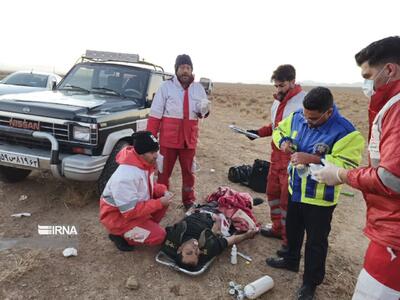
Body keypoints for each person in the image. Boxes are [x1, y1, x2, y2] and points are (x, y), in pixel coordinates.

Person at [312, 36, 400, 299]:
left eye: (367, 75)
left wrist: (341, 174)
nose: (365, 83)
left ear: (389, 70)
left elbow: (392, 178)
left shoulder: (396, 108)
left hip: (393, 239)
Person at [266, 87, 365, 300]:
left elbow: (348, 166)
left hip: (320, 199)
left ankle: (310, 283)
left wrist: (313, 159)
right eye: (305, 116)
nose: (307, 121)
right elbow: (279, 130)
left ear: (328, 112)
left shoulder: (347, 133)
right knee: (292, 229)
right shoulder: (298, 117)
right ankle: (291, 260)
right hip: (296, 190)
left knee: (316, 243)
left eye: (313, 119)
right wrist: (283, 142)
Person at [246, 64, 305, 255]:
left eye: (282, 86)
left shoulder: (303, 102)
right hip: (276, 157)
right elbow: (275, 127)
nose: (278, 90)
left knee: (288, 202)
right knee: (272, 194)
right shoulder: (277, 102)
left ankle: (289, 241)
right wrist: (257, 133)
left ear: (293, 81)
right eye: (276, 86)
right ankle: (277, 228)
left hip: (292, 160)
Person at [147, 54, 209, 210]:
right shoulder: (165, 87)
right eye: (182, 68)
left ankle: (188, 200)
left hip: (189, 141)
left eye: (188, 68)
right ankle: (161, 200)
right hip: (168, 140)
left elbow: (202, 113)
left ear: (191, 70)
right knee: (163, 172)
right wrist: (150, 139)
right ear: (176, 70)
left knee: (189, 173)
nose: (185, 71)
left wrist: (206, 111)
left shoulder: (198, 89)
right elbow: (155, 115)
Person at [99, 131, 173, 251]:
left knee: (163, 201)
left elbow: (146, 186)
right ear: (141, 154)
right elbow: (129, 212)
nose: (156, 155)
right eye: (152, 152)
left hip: (130, 212)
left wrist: (163, 190)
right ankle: (120, 235)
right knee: (160, 237)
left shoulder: (143, 163)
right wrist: (159, 202)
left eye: (156, 151)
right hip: (118, 218)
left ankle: (145, 226)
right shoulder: (125, 176)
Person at [161, 201, 259, 271]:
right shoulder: (209, 247)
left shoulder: (172, 238)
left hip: (203, 209)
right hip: (220, 214)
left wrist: (190, 212)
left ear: (179, 249)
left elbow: (176, 225)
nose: (195, 249)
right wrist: (247, 235)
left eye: (190, 252)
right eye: (196, 253)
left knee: (217, 197)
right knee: (238, 201)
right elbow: (231, 240)